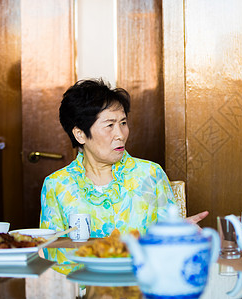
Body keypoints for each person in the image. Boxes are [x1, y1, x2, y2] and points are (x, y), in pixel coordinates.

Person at [39, 79, 208, 265]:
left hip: (141, 285)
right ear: (80, 134)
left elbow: (169, 247)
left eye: (123, 123)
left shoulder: (150, 174)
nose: (120, 134)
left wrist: (179, 233)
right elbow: (54, 256)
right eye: (109, 125)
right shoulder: (57, 185)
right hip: (85, 288)